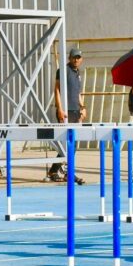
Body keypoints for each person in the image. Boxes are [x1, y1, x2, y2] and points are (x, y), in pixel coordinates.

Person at [53, 48, 86, 185]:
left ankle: (56, 170)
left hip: (75, 111)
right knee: (68, 144)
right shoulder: (63, 70)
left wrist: (83, 108)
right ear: (69, 58)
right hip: (66, 111)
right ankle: (67, 172)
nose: (76, 60)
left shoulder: (78, 73)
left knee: (73, 144)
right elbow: (57, 89)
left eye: (78, 57)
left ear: (81, 59)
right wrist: (60, 109)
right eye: (74, 57)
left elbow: (78, 93)